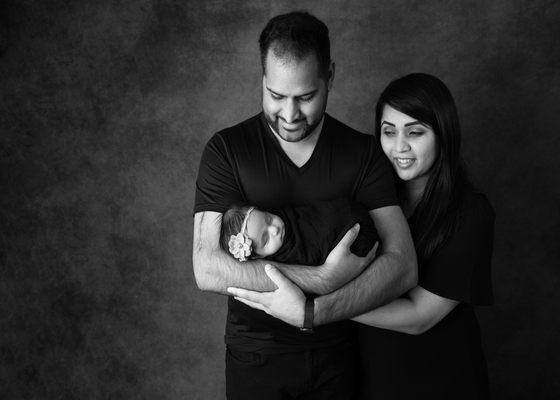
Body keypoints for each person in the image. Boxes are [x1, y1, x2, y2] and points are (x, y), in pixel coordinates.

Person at [192, 11, 417, 400]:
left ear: (330, 76)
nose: (290, 114)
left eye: (306, 97)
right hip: (255, 357)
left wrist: (316, 311)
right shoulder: (227, 151)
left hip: (339, 356)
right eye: (276, 96)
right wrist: (325, 279)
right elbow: (208, 268)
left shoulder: (363, 154)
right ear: (262, 79)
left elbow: (403, 266)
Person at [229, 73, 495, 399]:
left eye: (416, 132)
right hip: (370, 379)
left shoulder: (469, 211)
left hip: (439, 379)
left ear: (444, 135)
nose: (399, 147)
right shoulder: (372, 200)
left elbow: (419, 317)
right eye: (388, 132)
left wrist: (312, 308)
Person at [220, 199, 379, 263]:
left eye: (268, 219)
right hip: (344, 247)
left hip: (345, 216)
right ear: (258, 256)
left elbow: (314, 213)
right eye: (266, 239)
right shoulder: (287, 259)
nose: (274, 229)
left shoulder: (287, 214)